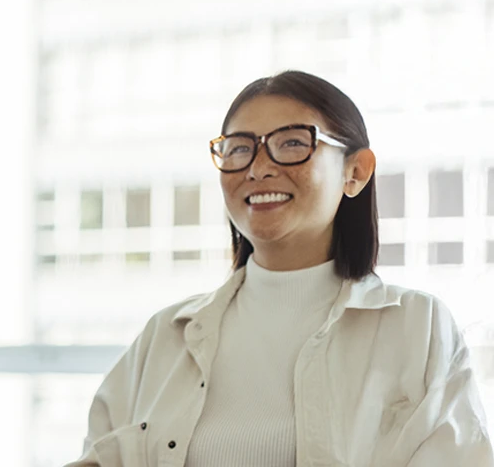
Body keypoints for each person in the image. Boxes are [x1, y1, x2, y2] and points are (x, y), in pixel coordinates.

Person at [68, 70, 494, 466]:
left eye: (291, 143)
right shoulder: (164, 336)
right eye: (239, 148)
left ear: (355, 172)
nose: (258, 168)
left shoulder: (418, 328)